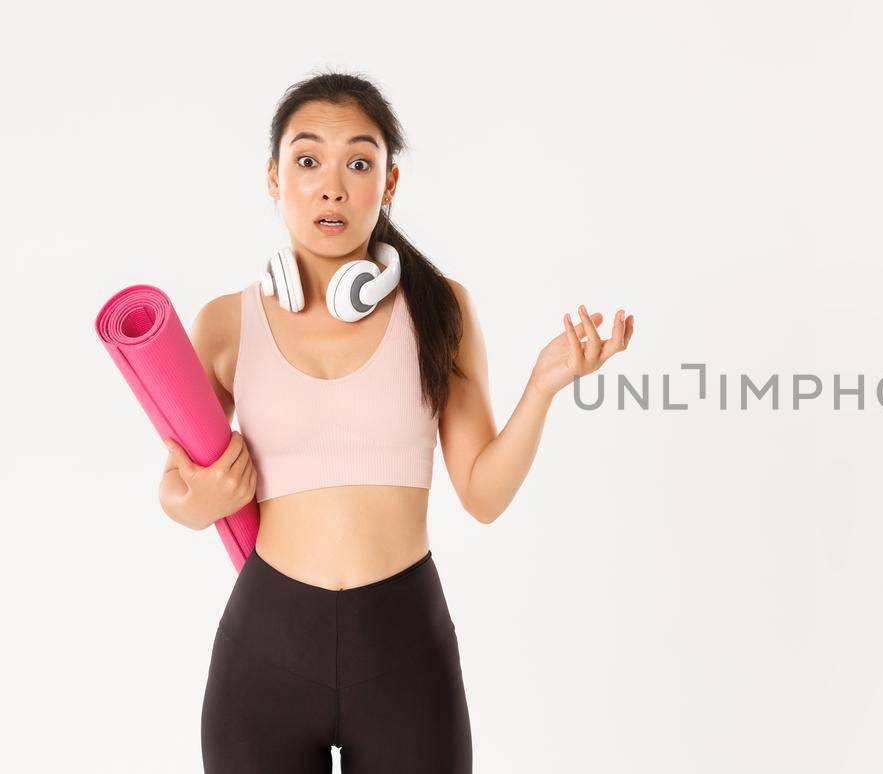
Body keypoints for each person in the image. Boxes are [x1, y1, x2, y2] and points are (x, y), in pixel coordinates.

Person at [156, 70, 635, 773]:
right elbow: (173, 482)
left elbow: (483, 493)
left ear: (389, 183)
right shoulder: (227, 324)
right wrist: (193, 502)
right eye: (308, 159)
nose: (332, 185)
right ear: (272, 177)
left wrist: (544, 385)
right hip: (263, 655)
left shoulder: (440, 307)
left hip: (406, 653)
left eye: (359, 162)